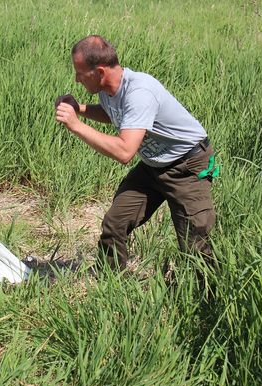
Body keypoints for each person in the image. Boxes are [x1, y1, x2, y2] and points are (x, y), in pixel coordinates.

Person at [55, 35, 217, 272]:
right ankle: (109, 283)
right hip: (154, 166)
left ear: (100, 72)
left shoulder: (140, 92)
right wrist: (78, 109)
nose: (77, 79)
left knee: (196, 242)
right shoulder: (108, 88)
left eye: (80, 73)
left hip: (187, 166)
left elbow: (124, 152)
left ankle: (206, 297)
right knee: (115, 223)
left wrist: (76, 125)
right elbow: (115, 114)